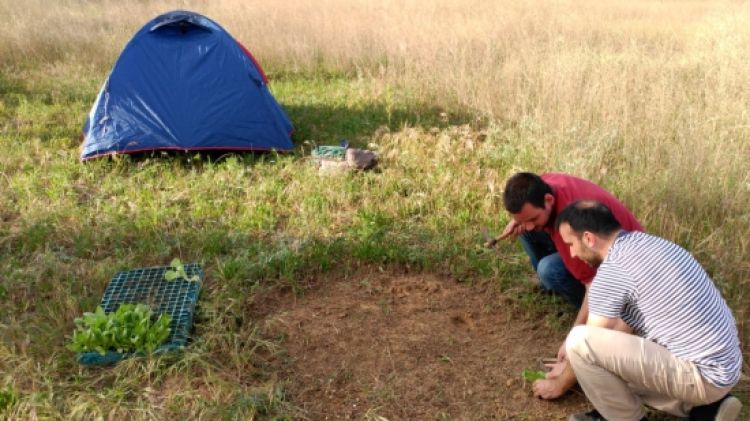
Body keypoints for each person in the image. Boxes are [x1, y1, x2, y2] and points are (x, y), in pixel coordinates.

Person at [556, 201, 742, 421]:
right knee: (618, 360)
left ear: (588, 238)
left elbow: (592, 343)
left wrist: (558, 382)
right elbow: (619, 332)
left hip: (703, 377)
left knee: (579, 341)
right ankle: (706, 410)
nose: (572, 253)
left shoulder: (613, 270)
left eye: (571, 244)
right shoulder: (653, 244)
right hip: (725, 367)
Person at [494, 172, 644, 399]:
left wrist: (572, 346)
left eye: (532, 218)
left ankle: (559, 283)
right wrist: (520, 221)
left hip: (624, 268)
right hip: (628, 250)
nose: (572, 253)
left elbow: (594, 290)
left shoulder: (570, 222)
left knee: (550, 270)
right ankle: (552, 283)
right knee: (527, 233)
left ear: (549, 201)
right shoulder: (544, 187)